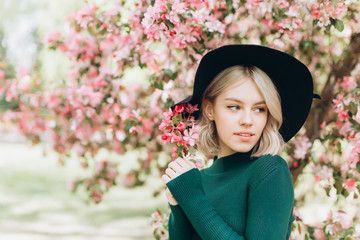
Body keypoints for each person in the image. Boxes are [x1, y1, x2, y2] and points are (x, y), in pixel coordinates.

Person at [161, 44, 321, 240]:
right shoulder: (197, 180)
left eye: (259, 109)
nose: (248, 120)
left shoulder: (269, 170)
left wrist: (193, 199)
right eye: (234, 107)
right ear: (210, 109)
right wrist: (178, 207)